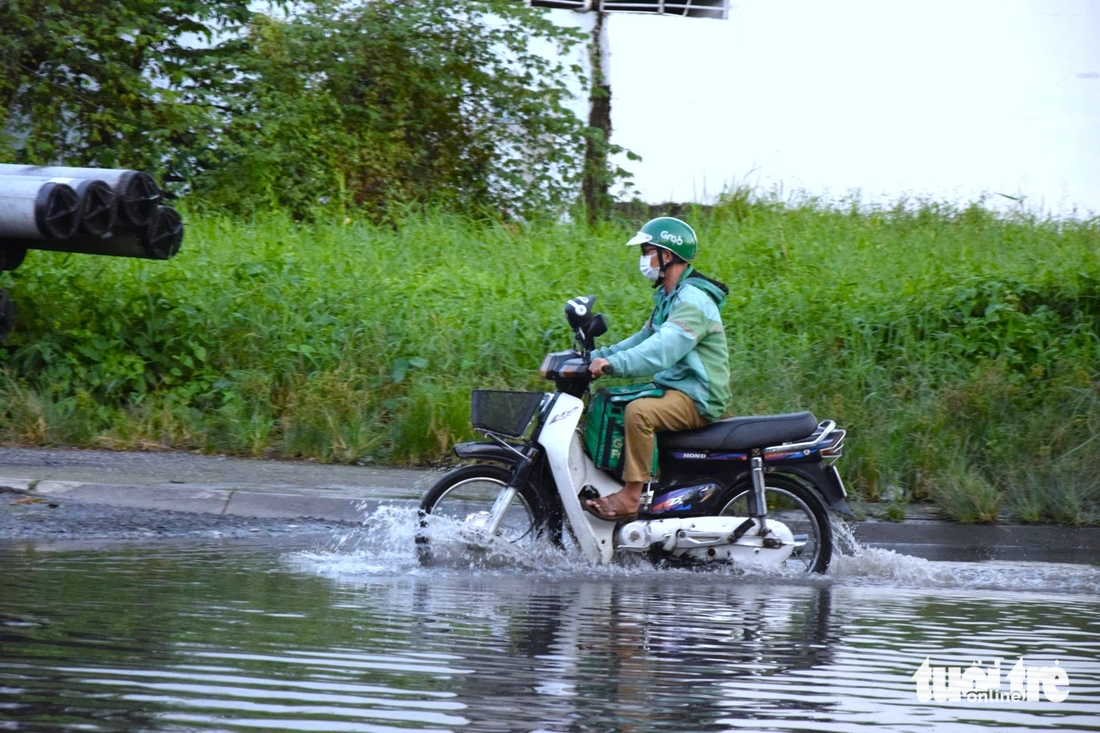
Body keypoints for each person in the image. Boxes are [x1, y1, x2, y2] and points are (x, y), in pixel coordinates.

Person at [585, 216, 731, 520]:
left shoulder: (693, 300)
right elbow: (642, 339)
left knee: (638, 412)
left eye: (647, 251)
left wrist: (612, 364)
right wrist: (595, 357)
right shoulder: (669, 297)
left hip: (698, 395)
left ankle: (630, 496)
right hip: (676, 388)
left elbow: (662, 350)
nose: (643, 259)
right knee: (610, 400)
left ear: (668, 255)